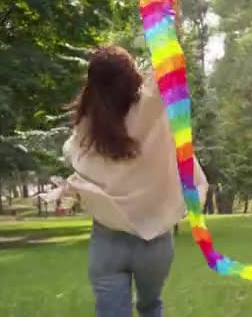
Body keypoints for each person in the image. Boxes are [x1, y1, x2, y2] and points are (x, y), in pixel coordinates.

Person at [57, 45, 208, 317]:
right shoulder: (151, 108)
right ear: (131, 76)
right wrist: (166, 14)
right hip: (154, 242)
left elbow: (72, 154)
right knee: (151, 307)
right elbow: (169, 63)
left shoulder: (87, 127)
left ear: (93, 85)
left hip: (107, 241)